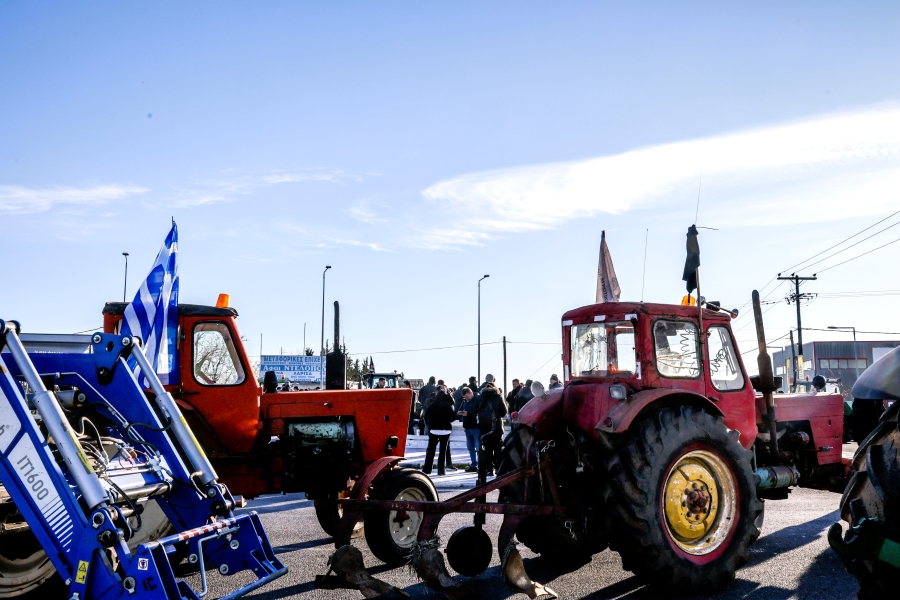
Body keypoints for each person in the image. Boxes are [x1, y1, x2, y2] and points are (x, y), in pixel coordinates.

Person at [422, 386, 456, 476]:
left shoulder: (432, 405)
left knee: (431, 451)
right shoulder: (447, 406)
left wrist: (430, 425)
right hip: (446, 431)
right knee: (443, 451)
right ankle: (441, 471)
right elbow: (453, 417)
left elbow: (425, 416)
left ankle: (427, 469)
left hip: (434, 430)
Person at [478, 384, 507, 475]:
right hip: (496, 427)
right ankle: (498, 468)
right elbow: (504, 411)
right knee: (498, 448)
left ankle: (489, 469)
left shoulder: (480, 397)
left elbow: (476, 410)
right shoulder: (498, 396)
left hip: (484, 427)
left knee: (487, 449)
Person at [457, 388, 481, 472]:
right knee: (470, 447)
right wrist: (460, 413)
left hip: (475, 427)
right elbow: (460, 409)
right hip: (467, 427)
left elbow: (478, 412)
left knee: (478, 447)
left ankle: (480, 465)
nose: (466, 398)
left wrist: (468, 414)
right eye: (465, 397)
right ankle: (474, 464)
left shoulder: (477, 400)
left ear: (471, 393)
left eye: (467, 396)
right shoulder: (464, 401)